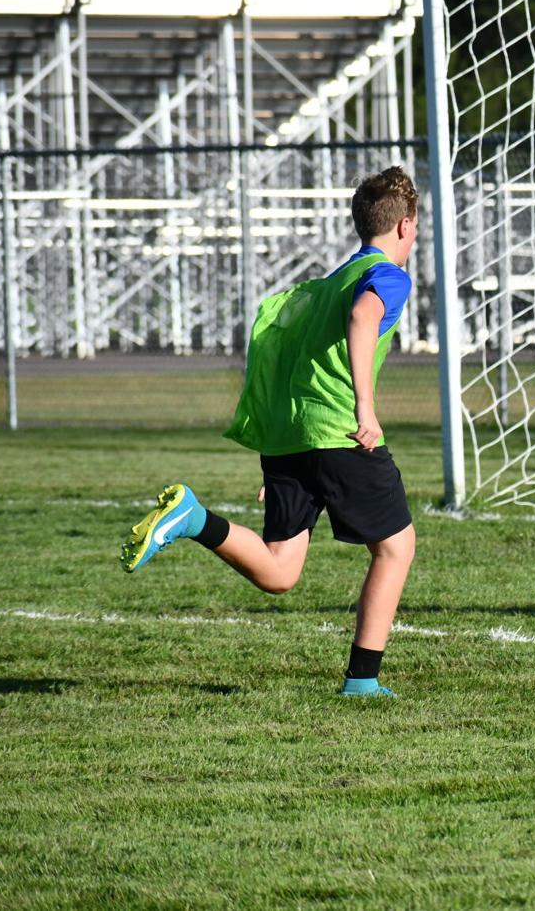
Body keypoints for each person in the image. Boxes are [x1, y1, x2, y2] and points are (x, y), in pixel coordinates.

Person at [119, 166, 420, 696]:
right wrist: (366, 409)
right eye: (416, 226)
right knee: (396, 548)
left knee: (280, 573)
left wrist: (283, 455)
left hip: (291, 436)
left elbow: (283, 352)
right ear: (404, 227)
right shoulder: (388, 277)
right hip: (340, 432)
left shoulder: (324, 285)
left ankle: (194, 518)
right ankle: (362, 681)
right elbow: (364, 318)